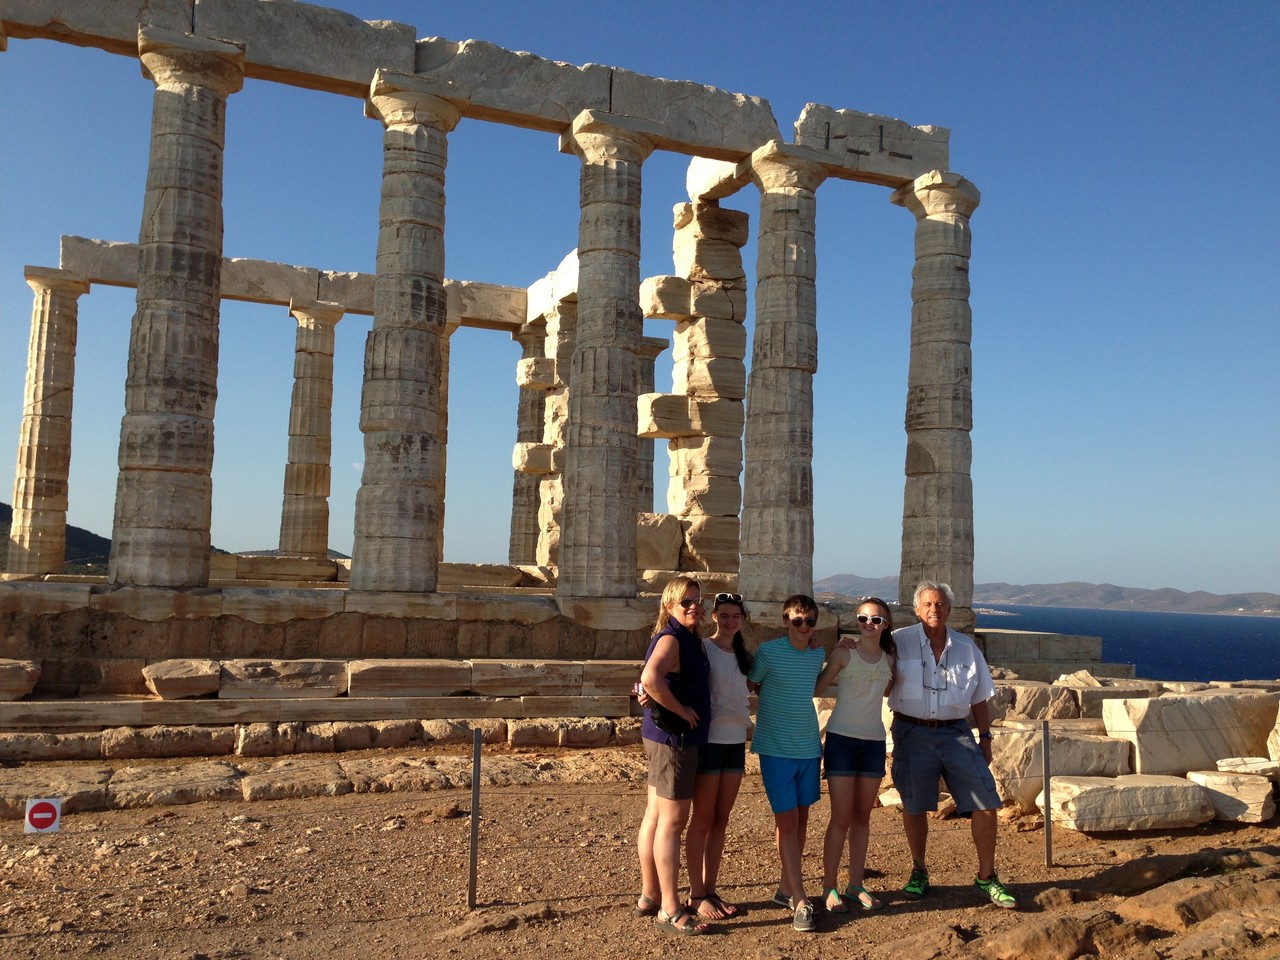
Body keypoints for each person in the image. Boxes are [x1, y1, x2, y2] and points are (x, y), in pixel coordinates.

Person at [888, 580, 1017, 909]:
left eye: (941, 604)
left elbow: (980, 698)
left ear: (950, 609)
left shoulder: (966, 647)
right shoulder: (897, 642)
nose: (935, 609)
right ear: (917, 609)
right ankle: (919, 871)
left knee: (986, 802)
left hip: (956, 733)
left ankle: (986, 876)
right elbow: (875, 676)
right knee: (915, 805)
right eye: (928, 604)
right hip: (911, 731)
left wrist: (985, 737)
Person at [635, 576, 714, 935]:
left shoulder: (680, 636)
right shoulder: (672, 637)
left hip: (662, 737)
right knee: (672, 822)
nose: (694, 606)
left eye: (698, 600)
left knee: (655, 816)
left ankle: (650, 894)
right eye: (686, 602)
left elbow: (650, 682)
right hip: (675, 740)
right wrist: (682, 711)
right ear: (670, 606)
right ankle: (669, 907)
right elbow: (651, 678)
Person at [748, 594, 828, 933]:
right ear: (785, 621)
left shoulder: (817, 653)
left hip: (808, 747)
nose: (804, 627)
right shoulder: (768, 652)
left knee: (802, 818)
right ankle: (800, 899)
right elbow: (751, 683)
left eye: (810, 621)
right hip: (776, 748)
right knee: (787, 820)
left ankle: (785, 888)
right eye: (797, 621)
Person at [815, 596, 896, 913]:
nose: (868, 624)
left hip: (874, 740)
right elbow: (819, 688)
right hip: (842, 740)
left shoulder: (890, 658)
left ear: (885, 625)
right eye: (863, 618)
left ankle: (856, 885)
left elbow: (889, 690)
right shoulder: (844, 654)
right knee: (841, 817)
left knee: (863, 818)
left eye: (875, 620)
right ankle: (829, 887)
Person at [685, 592, 753, 920]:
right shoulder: (703, 649)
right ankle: (696, 893)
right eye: (723, 616)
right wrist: (644, 692)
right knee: (702, 818)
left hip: (735, 741)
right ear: (713, 617)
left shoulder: (744, 655)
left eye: (735, 616)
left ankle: (710, 888)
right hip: (709, 740)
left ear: (742, 619)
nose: (729, 621)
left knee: (721, 820)